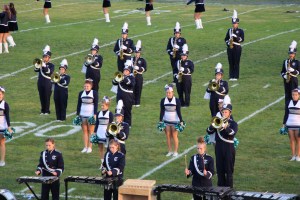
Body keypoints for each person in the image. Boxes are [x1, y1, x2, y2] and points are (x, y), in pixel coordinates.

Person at [207, 104, 238, 188]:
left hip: (228, 148)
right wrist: (213, 125)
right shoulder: (218, 121)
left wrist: (225, 127)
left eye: (226, 112)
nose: (224, 113)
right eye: (223, 112)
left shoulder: (233, 123)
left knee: (228, 170)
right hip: (219, 147)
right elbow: (208, 131)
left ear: (229, 113)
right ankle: (220, 190)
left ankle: (229, 191)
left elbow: (232, 133)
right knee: (220, 169)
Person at [159, 84, 184, 157]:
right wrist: (160, 120)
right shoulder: (163, 100)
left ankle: (175, 151)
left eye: (169, 92)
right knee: (167, 136)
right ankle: (170, 151)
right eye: (167, 93)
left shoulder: (176, 100)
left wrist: (181, 120)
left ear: (173, 93)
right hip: (166, 120)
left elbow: (179, 111)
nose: (168, 94)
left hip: (175, 120)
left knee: (174, 135)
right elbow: (162, 111)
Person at [76, 79, 98, 153]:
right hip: (82, 114)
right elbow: (79, 104)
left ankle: (90, 147)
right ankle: (85, 147)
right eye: (85, 86)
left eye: (87, 86)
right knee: (84, 131)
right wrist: (78, 114)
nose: (86, 87)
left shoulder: (94, 93)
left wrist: (95, 114)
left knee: (91, 131)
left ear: (91, 86)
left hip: (90, 115)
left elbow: (96, 104)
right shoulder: (81, 93)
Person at [112, 60, 135, 127]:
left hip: (128, 97)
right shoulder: (120, 76)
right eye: (125, 70)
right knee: (119, 110)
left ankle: (128, 125)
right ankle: (119, 123)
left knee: (127, 111)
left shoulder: (131, 77)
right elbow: (114, 83)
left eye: (127, 71)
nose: (125, 71)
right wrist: (116, 79)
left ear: (129, 72)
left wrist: (123, 78)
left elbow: (131, 84)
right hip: (119, 96)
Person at [224, 10, 244, 81]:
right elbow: (226, 39)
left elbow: (241, 40)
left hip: (237, 48)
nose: (234, 25)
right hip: (230, 48)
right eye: (233, 23)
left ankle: (236, 76)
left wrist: (235, 36)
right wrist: (228, 43)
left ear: (238, 24)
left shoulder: (241, 31)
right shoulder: (229, 30)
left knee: (236, 62)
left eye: (235, 23)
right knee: (231, 62)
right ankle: (231, 76)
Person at [34, 45, 54, 115]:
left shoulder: (51, 65)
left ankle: (47, 110)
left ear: (49, 58)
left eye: (46, 57)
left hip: (47, 82)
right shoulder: (41, 63)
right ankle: (42, 110)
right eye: (44, 57)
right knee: (41, 96)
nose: (45, 58)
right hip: (40, 82)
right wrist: (37, 65)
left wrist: (44, 65)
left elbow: (49, 72)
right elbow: (35, 70)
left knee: (46, 96)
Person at [94, 96, 114, 166]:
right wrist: (95, 132)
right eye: (101, 105)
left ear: (107, 105)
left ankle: (107, 163)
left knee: (107, 148)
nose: (102, 107)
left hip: (106, 132)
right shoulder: (98, 113)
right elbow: (96, 123)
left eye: (103, 105)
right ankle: (102, 163)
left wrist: (109, 133)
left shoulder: (110, 114)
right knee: (100, 148)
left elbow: (111, 124)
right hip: (99, 131)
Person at [283, 89, 300, 161]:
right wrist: (283, 124)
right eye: (293, 94)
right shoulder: (288, 102)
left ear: (299, 95)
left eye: (296, 95)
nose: (294, 96)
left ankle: (298, 156)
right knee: (292, 140)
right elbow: (286, 114)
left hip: (298, 124)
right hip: (289, 124)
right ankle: (293, 156)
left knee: (298, 140)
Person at [281, 40, 299, 107]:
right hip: (287, 80)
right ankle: (287, 105)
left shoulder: (297, 62)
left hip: (294, 80)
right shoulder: (285, 61)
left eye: (292, 53)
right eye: (290, 53)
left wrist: (293, 70)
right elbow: (282, 71)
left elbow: (298, 72)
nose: (291, 55)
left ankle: (294, 105)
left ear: (294, 54)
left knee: (294, 93)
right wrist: (284, 76)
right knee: (287, 93)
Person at [0, 86, 13, 167]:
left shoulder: (5, 105)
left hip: (2, 127)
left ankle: (2, 160)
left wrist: (9, 127)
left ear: (3, 95)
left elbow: (7, 117)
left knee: (1, 143)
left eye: (0, 94)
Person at [132, 40, 147, 107]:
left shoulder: (142, 60)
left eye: (138, 52)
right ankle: (133, 102)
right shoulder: (131, 59)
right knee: (132, 89)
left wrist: (138, 68)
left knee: (138, 88)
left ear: (140, 53)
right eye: (136, 52)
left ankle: (137, 102)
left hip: (139, 76)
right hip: (132, 75)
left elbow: (145, 69)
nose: (136, 54)